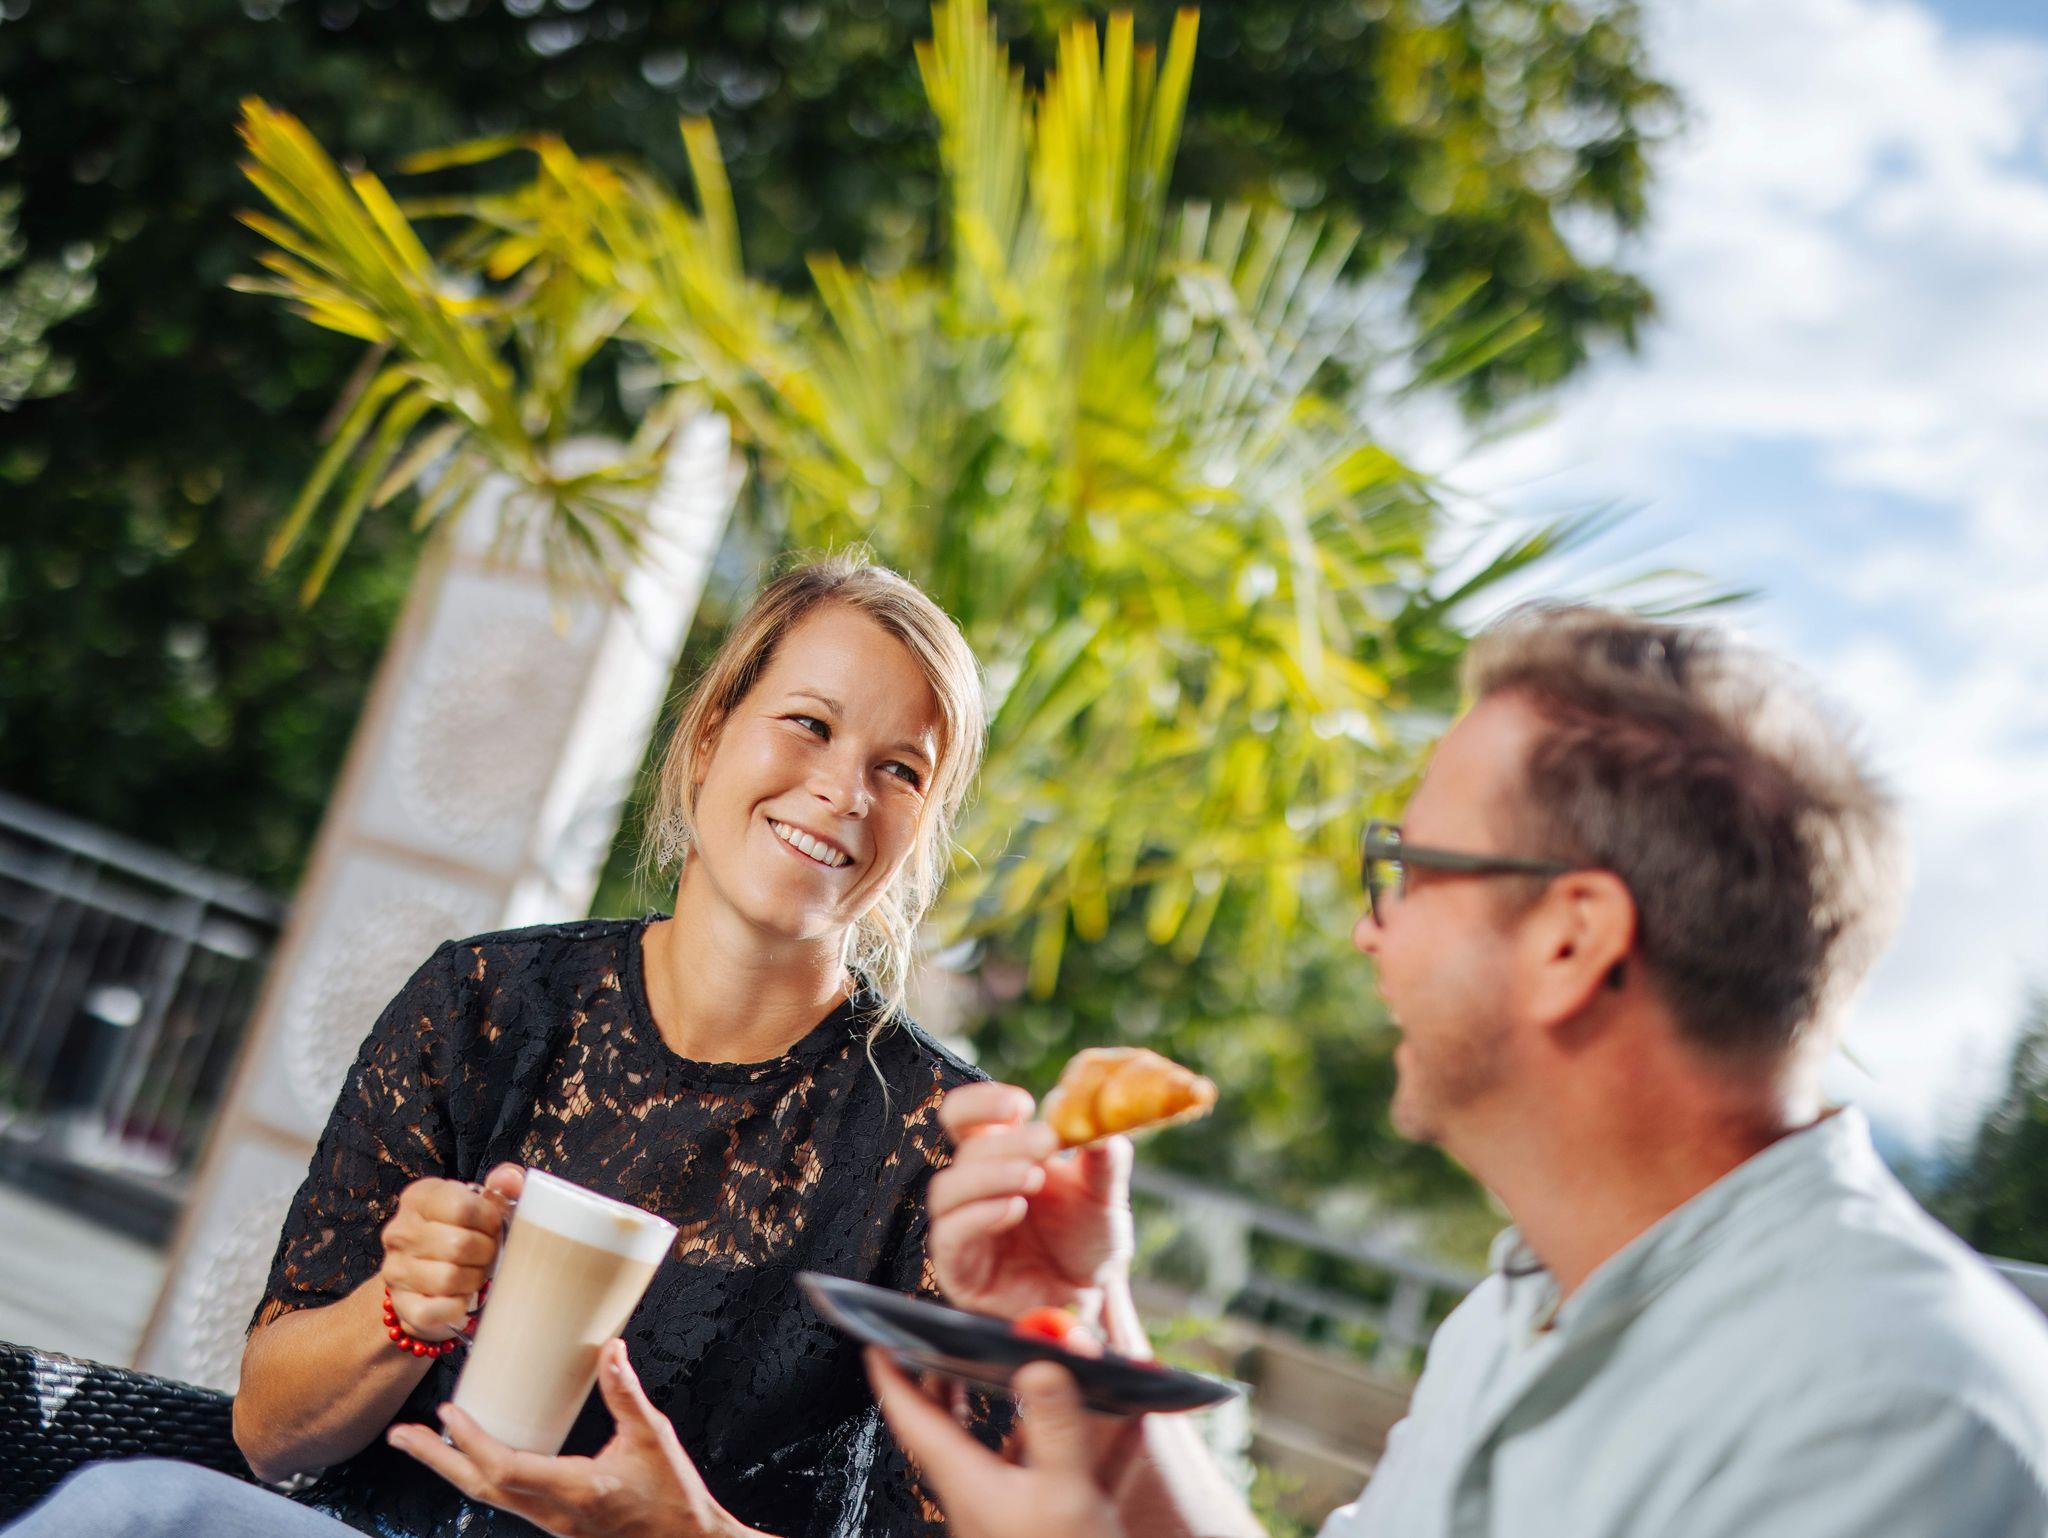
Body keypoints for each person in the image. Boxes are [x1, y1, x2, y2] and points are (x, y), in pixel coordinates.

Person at [868, 604, 2048, 1538]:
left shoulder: (1894, 1420)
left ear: (1571, 938)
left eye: (1408, 867)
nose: (1366, 930)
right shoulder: (1513, 1314)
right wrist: (1084, 1336)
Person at [6, 554, 994, 1538]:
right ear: (708, 738)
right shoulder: (484, 1001)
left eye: (899, 770)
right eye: (809, 724)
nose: (844, 790)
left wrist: (685, 1531)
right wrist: (400, 1309)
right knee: (134, 1508)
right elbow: (270, 1435)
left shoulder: (942, 1148)